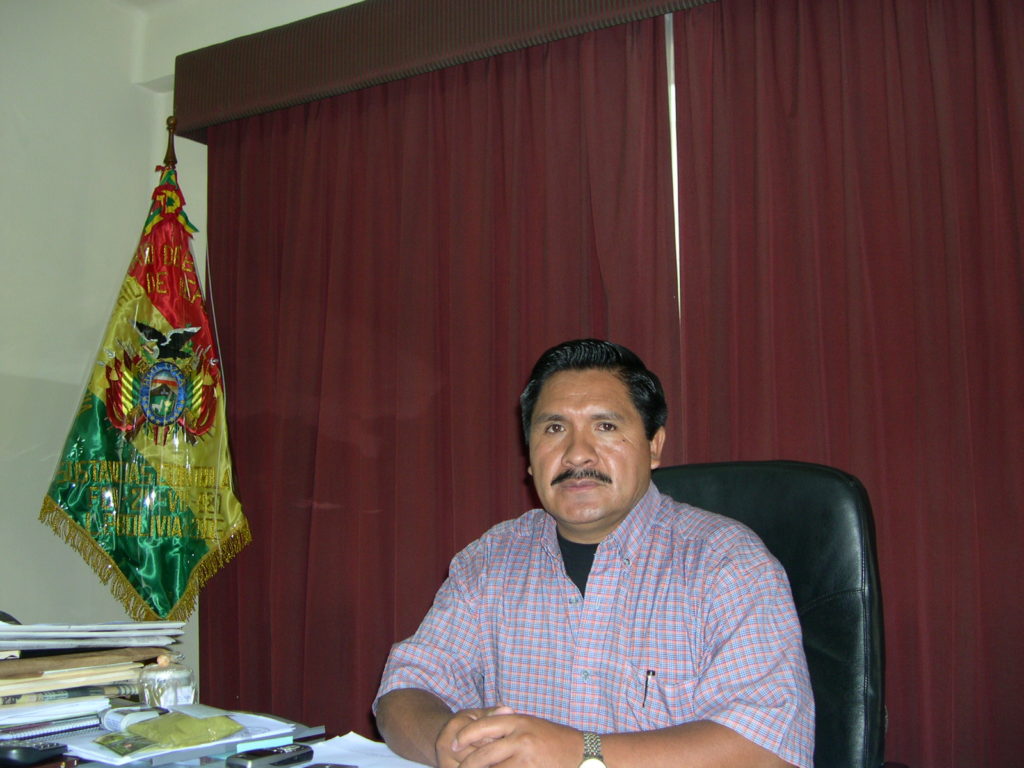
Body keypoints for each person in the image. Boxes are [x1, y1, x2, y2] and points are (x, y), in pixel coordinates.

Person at [374, 339, 814, 768]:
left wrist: (581, 752)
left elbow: (770, 751)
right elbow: (405, 689)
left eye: (605, 427)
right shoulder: (490, 560)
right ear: (529, 456)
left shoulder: (726, 563)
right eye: (554, 428)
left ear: (654, 445)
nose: (577, 454)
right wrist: (445, 739)